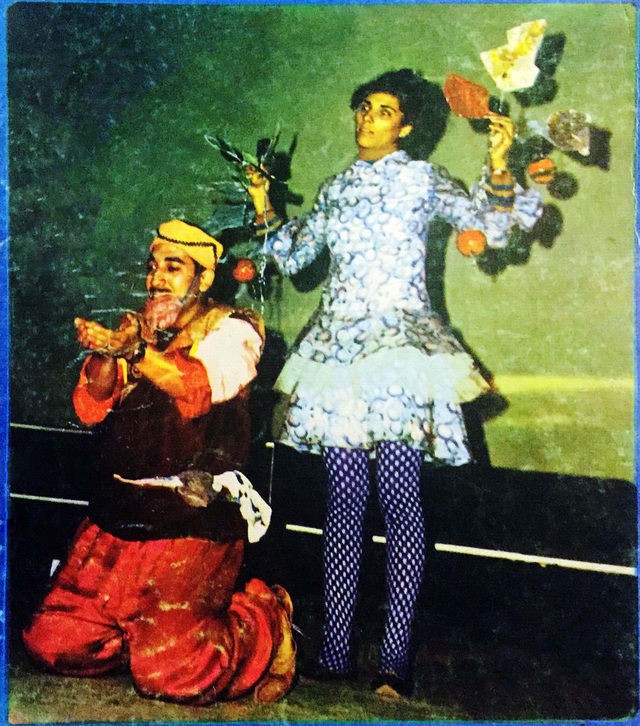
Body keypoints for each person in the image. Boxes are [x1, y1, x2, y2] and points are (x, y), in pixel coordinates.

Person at [246, 69, 542, 698]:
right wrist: (263, 202)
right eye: (363, 107)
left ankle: (395, 663)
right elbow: (295, 256)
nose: (367, 118)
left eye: (383, 110)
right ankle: (333, 654)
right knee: (343, 508)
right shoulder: (337, 188)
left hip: (402, 354)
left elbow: (487, 229)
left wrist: (498, 161)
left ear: (406, 127)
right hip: (337, 356)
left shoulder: (422, 179)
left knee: (402, 504)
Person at [22, 219, 296, 704]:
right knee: (52, 642)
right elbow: (92, 406)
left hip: (189, 518)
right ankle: (144, 634)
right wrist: (109, 353)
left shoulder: (234, 329)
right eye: (153, 267)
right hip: (120, 514)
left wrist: (136, 352)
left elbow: (195, 387)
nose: (156, 279)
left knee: (173, 676)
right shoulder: (143, 329)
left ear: (204, 278)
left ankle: (264, 619)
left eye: (173, 268)